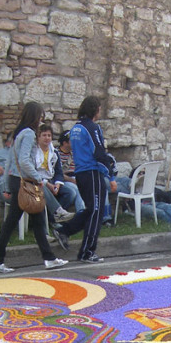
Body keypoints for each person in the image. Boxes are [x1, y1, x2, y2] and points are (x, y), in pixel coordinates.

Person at [0, 101, 67, 273]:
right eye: (40, 116)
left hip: (17, 181)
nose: (41, 120)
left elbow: (11, 160)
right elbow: (24, 160)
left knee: (36, 221)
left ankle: (49, 258)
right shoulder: (30, 134)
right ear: (35, 116)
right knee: (13, 222)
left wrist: (7, 186)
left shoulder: (19, 133)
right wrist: (38, 178)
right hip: (26, 182)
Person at [56, 95, 114, 263]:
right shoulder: (92, 127)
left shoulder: (75, 128)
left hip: (80, 172)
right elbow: (98, 150)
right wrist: (109, 168)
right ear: (94, 109)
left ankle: (64, 230)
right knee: (97, 211)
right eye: (99, 108)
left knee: (90, 209)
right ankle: (87, 252)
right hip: (92, 172)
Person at [33, 123, 80, 227]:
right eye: (44, 135)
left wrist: (57, 184)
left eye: (49, 136)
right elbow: (33, 171)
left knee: (70, 192)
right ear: (39, 137)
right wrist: (48, 185)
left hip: (51, 180)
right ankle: (58, 214)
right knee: (43, 189)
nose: (47, 138)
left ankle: (53, 219)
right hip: (38, 181)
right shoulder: (33, 152)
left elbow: (58, 172)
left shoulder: (54, 152)